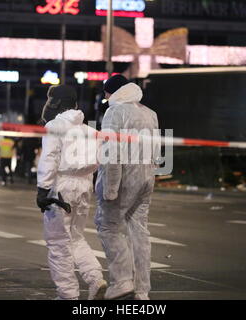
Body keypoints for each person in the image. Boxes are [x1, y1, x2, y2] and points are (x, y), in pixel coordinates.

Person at [36, 84, 107, 300]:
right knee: (75, 238)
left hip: (61, 188)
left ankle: (67, 295)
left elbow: (50, 157)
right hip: (84, 186)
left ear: (56, 103)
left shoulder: (55, 126)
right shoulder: (91, 131)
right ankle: (95, 279)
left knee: (58, 243)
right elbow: (101, 161)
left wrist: (43, 189)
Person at [95, 75, 159, 300]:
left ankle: (121, 281)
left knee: (108, 226)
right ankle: (142, 291)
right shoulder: (150, 113)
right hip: (146, 178)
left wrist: (111, 187)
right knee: (139, 231)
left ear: (113, 92)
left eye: (106, 93)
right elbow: (157, 153)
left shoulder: (115, 112)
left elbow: (112, 153)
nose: (105, 97)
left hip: (124, 179)